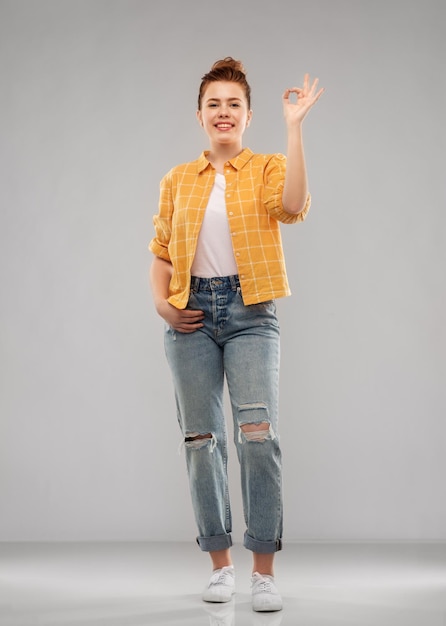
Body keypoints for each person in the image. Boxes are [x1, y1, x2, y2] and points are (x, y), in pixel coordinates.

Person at [149, 57, 323, 612]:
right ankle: (220, 566)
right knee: (202, 442)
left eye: (234, 105)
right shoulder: (177, 179)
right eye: (214, 104)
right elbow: (160, 251)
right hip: (191, 315)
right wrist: (162, 304)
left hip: (252, 312)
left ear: (247, 116)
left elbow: (292, 207)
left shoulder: (268, 167)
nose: (223, 113)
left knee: (257, 435)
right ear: (200, 115)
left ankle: (264, 572)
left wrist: (294, 128)